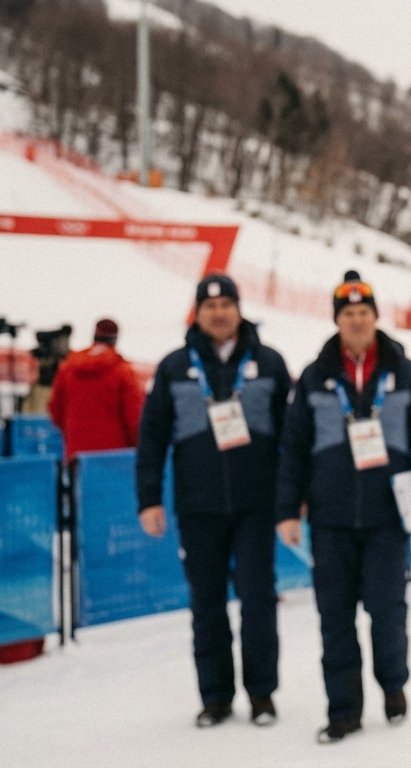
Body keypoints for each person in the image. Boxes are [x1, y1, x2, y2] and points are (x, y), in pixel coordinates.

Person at [275, 270, 411, 744]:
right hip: (329, 522)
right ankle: (343, 710)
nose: (356, 320)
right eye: (347, 314)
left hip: (387, 519)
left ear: (375, 318)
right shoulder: (314, 376)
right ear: (337, 320)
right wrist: (288, 510)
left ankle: (393, 686)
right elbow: (293, 447)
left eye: (363, 312)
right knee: (335, 618)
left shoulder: (405, 373)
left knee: (388, 611)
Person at [135, 274, 292, 728]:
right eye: (209, 306)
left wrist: (291, 499)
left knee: (259, 601)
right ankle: (216, 697)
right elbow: (152, 439)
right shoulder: (173, 367)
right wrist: (149, 499)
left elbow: (293, 438)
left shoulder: (270, 362)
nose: (218, 313)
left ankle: (262, 695)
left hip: (256, 506)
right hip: (197, 507)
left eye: (226, 304)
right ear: (197, 313)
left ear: (239, 309)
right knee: (206, 604)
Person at [47, 318, 143, 462]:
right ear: (115, 339)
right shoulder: (123, 372)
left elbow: (55, 409)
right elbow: (134, 420)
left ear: (94, 336)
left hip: (76, 457)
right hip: (114, 457)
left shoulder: (67, 368)